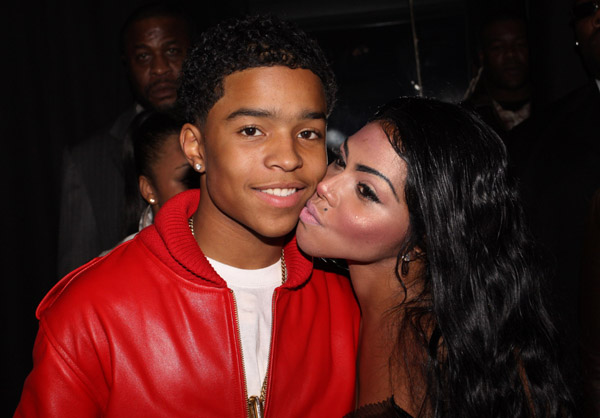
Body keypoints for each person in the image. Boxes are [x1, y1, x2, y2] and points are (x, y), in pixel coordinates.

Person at [15, 15, 360, 417]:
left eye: (308, 133)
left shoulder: (351, 302)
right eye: (251, 130)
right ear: (195, 148)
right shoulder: (92, 311)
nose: (287, 158)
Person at [296, 97, 576, 417]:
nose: (326, 185)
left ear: (423, 239)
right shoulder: (434, 320)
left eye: (366, 191)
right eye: (339, 160)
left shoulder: (409, 354)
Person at [57, 1, 194, 277]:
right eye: (143, 56)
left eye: (171, 51)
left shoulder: (231, 136)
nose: (159, 68)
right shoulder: (88, 159)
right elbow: (75, 279)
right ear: (126, 64)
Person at [100, 109, 199, 254]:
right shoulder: (119, 263)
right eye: (189, 179)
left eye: (206, 174)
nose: (203, 188)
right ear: (149, 190)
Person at [462, 11, 532, 148]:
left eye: (520, 44)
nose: (511, 54)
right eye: (498, 47)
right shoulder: (469, 121)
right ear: (482, 56)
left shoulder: (559, 110)